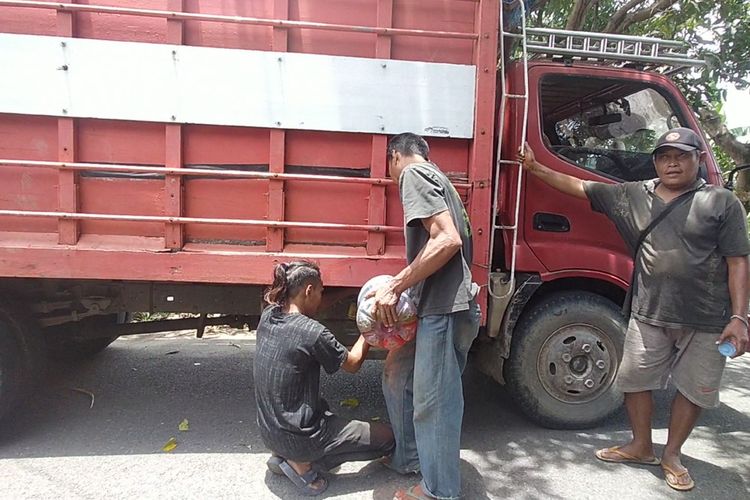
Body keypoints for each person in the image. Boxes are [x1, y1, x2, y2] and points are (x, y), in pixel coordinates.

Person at [520, 127, 750, 492]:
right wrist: (535, 168)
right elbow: (582, 187)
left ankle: (672, 454)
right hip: (648, 312)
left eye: (681, 155)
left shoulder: (721, 202)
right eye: (663, 156)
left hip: (707, 317)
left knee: (694, 389)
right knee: (634, 380)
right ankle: (641, 446)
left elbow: (738, 261)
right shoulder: (633, 194)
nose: (671, 163)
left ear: (698, 159)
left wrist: (739, 318)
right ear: (655, 161)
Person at [370, 133, 481, 500]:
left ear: (395, 156)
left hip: (443, 309)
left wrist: (395, 286)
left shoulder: (413, 175)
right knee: (396, 374)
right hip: (438, 305)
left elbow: (447, 240)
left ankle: (438, 491)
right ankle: (408, 458)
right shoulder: (441, 179)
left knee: (434, 404)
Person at [253, 261, 395, 496]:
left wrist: (351, 292)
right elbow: (353, 363)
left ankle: (285, 455)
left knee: (322, 405)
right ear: (308, 290)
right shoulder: (313, 333)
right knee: (389, 439)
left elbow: (313, 305)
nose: (322, 297)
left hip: (269, 433)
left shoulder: (269, 314)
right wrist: (370, 324)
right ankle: (302, 465)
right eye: (321, 291)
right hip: (302, 437)